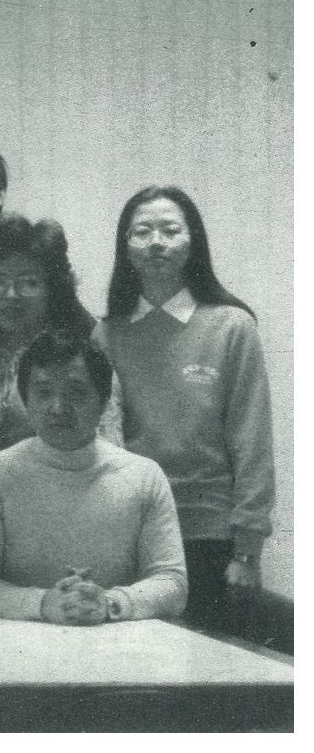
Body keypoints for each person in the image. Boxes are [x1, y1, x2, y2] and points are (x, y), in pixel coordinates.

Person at [97, 185, 275, 637]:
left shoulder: (231, 326)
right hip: (134, 529)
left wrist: (248, 549)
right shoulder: (106, 334)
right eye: (142, 232)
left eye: (170, 230)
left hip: (209, 532)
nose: (156, 242)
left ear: (194, 241)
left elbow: (252, 441)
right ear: (125, 247)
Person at [0, 332, 186, 624]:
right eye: (43, 392)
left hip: (118, 639)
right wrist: (44, 603)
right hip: (19, 638)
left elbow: (172, 582)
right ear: (26, 401)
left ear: (104, 402)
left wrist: (110, 603)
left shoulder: (144, 477)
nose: (58, 407)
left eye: (76, 392)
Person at [0, 215, 121, 453]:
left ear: (52, 288)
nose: (11, 294)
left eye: (29, 282)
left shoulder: (84, 350)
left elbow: (107, 448)